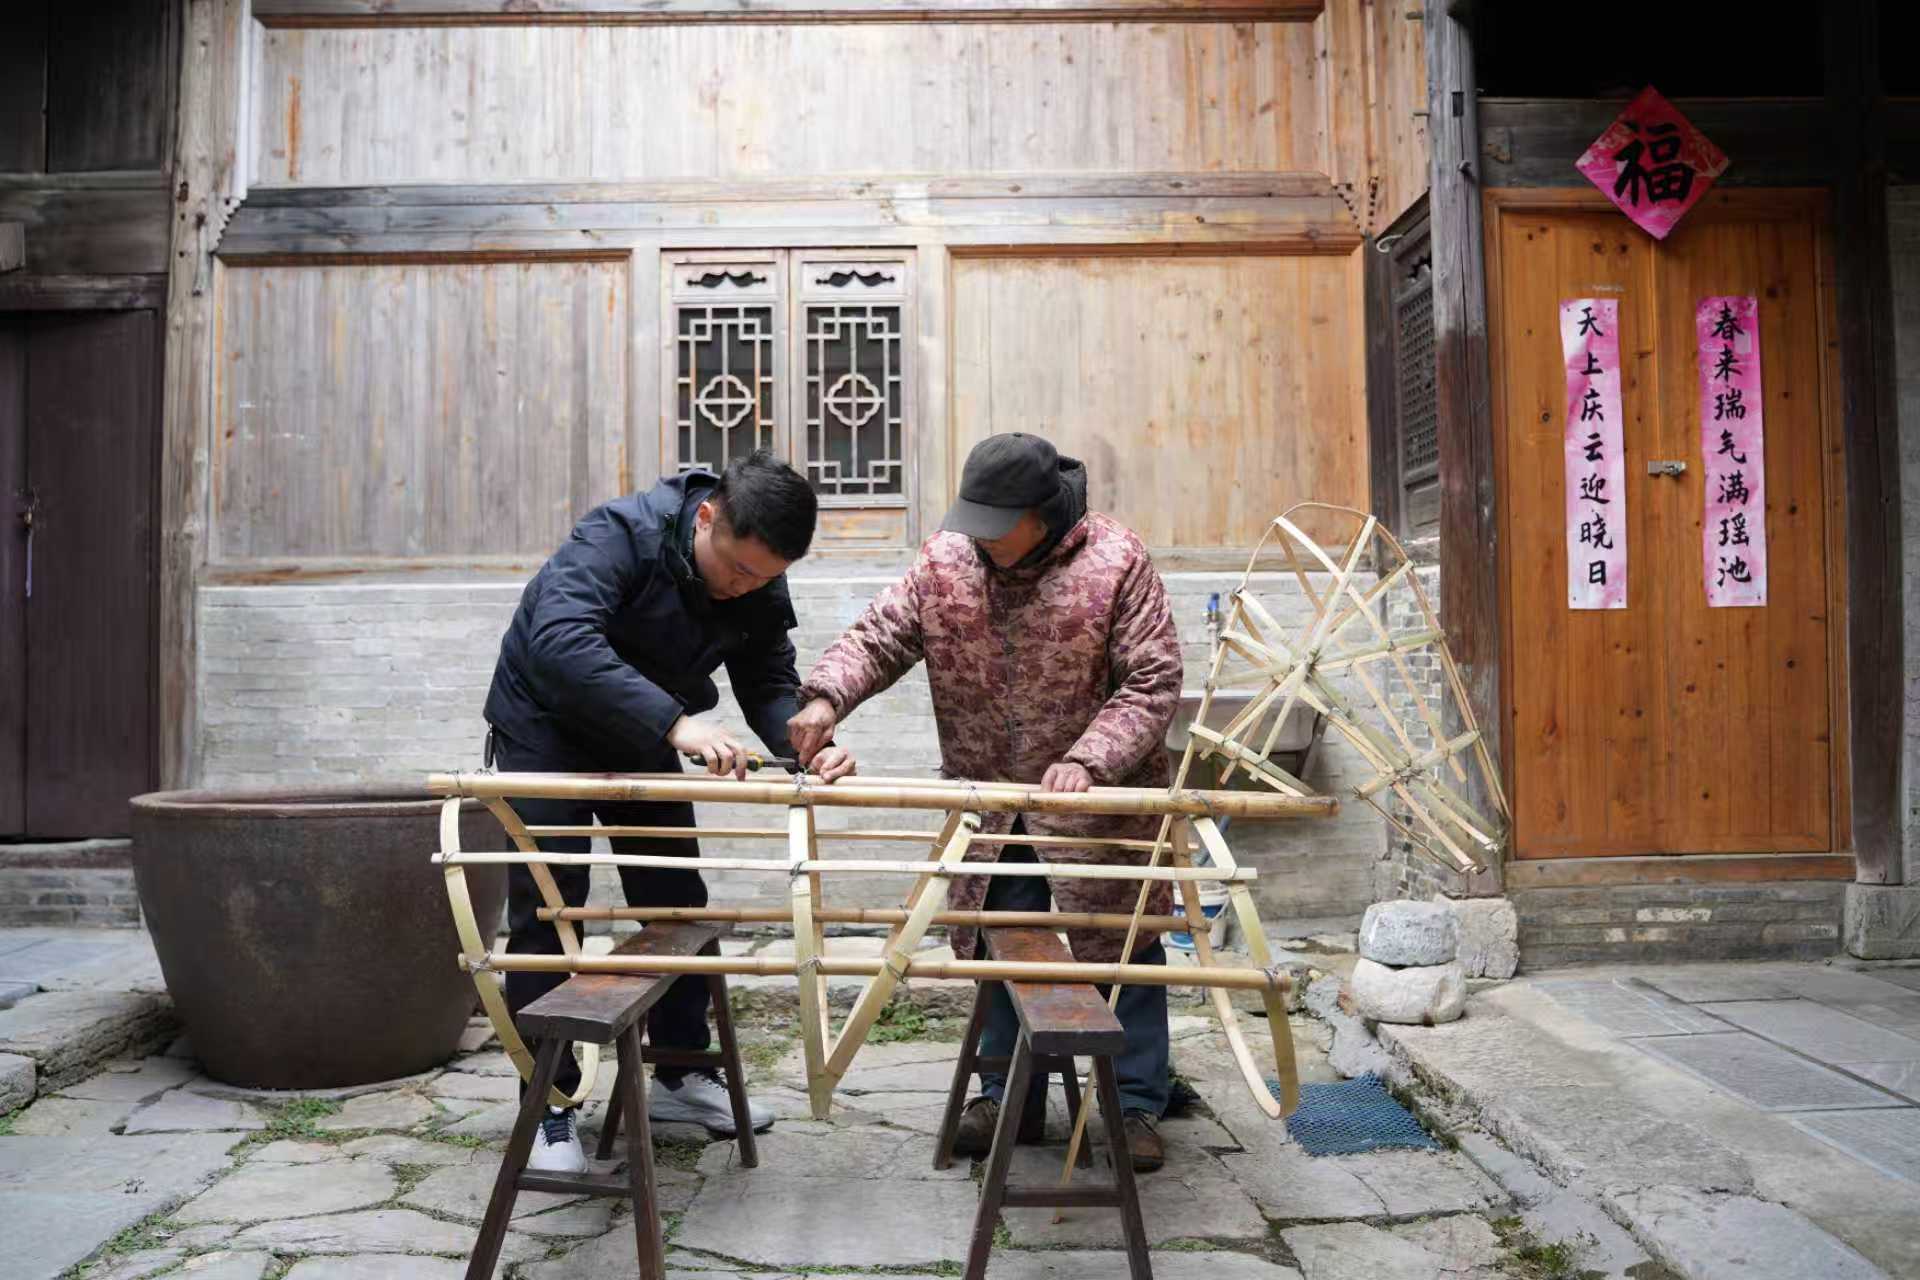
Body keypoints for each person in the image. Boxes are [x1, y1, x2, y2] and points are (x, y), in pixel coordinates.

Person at [788, 432, 1182, 1171]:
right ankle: (1005, 1093)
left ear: (1043, 515)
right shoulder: (945, 562)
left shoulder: (1116, 560)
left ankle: (1132, 1104)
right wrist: (824, 697)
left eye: (1000, 527)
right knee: (1009, 942)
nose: (984, 541)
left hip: (1101, 807)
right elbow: (878, 638)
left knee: (1124, 944)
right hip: (995, 805)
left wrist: (1089, 759)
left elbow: (1153, 681)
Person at [484, 449, 856, 1173]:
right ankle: (550, 1107)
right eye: (739, 571)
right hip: (544, 728)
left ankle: (682, 1073)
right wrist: (676, 724)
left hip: (643, 728)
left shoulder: (754, 574)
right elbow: (559, 641)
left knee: (676, 901)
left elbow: (766, 674)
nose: (746, 587)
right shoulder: (617, 535)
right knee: (552, 909)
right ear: (708, 518)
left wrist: (808, 740)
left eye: (765, 579)